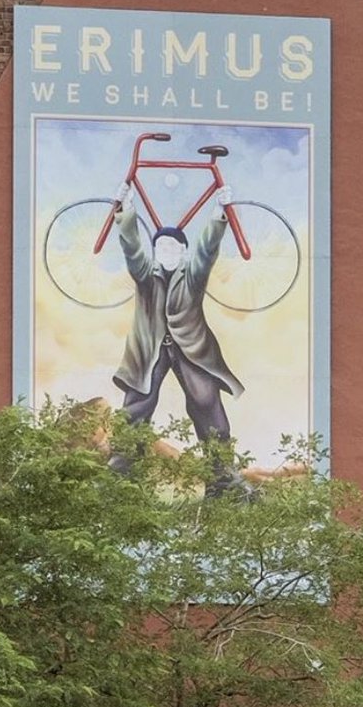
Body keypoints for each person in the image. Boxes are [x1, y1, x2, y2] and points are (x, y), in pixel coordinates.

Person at [109, 180, 256, 500]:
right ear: (155, 252)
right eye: (161, 248)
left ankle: (221, 478)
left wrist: (219, 215)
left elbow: (206, 252)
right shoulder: (146, 274)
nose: (167, 252)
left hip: (192, 349)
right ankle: (122, 474)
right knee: (137, 406)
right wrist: (126, 211)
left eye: (174, 248)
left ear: (183, 252)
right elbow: (132, 249)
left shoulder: (193, 275)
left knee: (206, 402)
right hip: (149, 349)